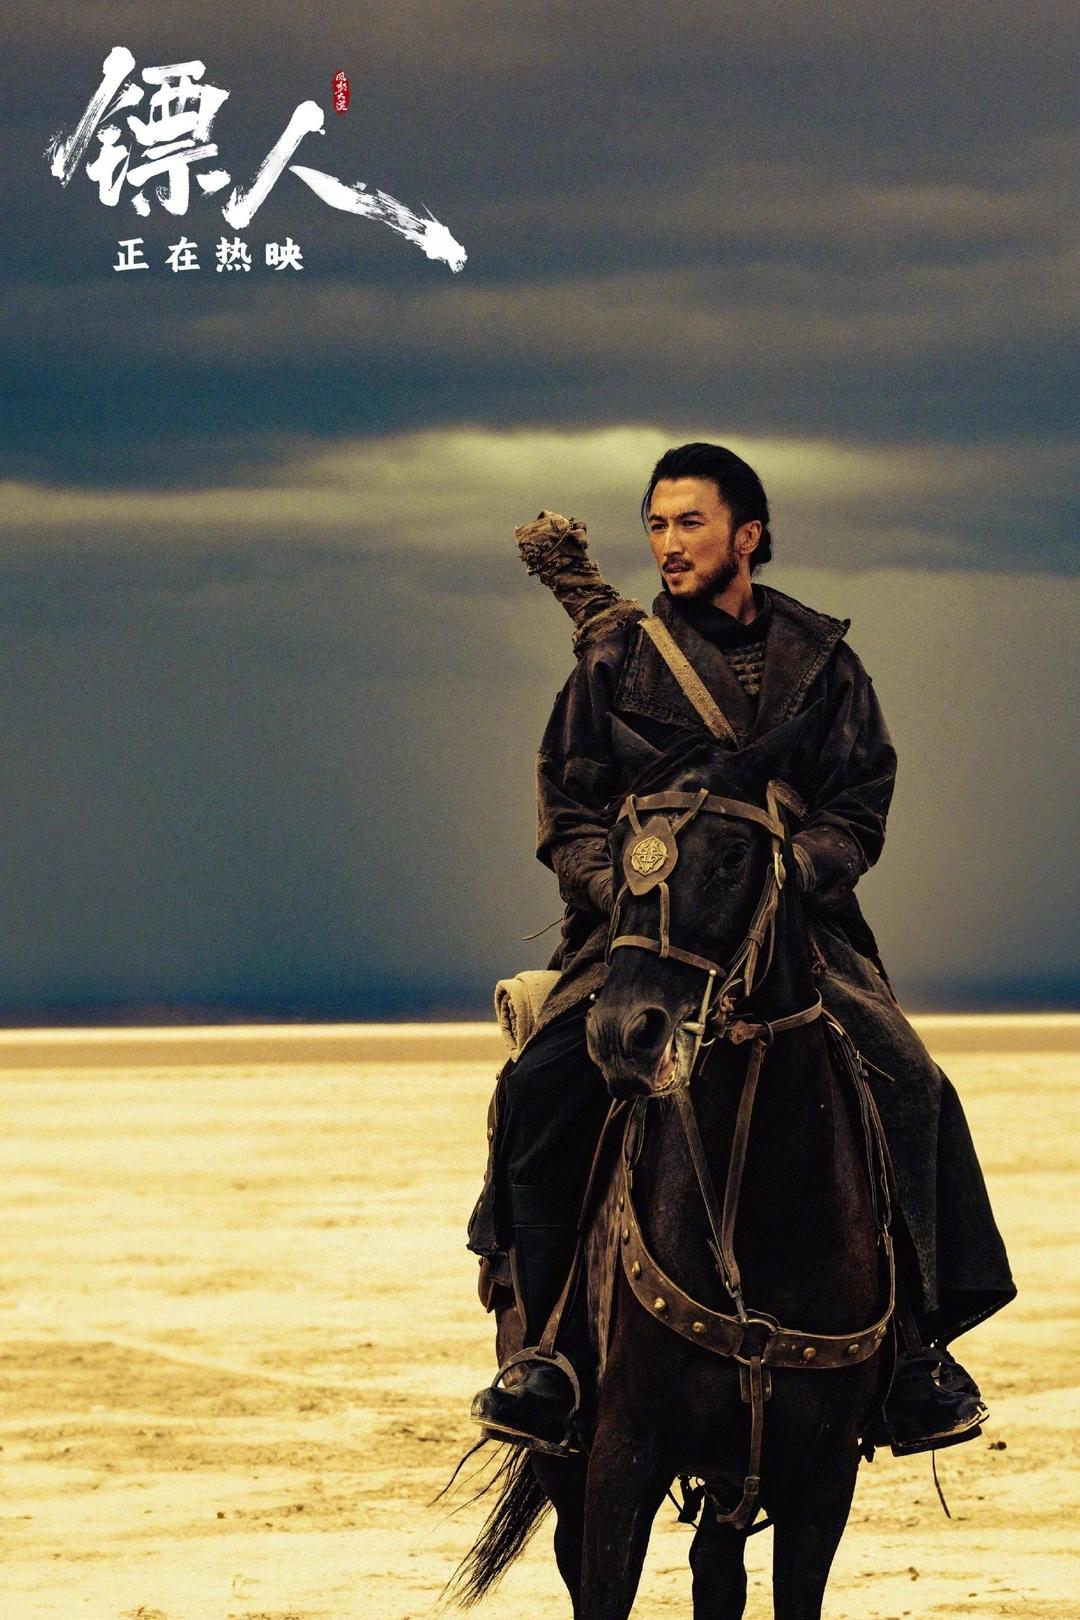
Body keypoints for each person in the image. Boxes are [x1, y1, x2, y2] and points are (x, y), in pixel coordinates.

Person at [469, 442, 1015, 1456]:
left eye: (691, 523)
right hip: (644, 934)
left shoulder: (826, 665)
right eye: (656, 525)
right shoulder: (614, 661)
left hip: (796, 930)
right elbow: (568, 808)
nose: (668, 544)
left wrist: (794, 870)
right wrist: (623, 887)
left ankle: (914, 1353)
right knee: (542, 1085)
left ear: (748, 535)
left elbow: (861, 801)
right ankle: (543, 1351)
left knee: (912, 1082)